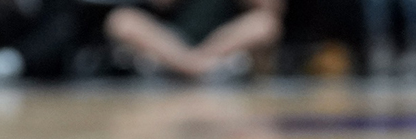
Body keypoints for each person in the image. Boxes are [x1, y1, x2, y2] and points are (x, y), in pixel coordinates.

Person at [104, 0, 284, 80]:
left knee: (265, 24)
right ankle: (193, 67)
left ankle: (192, 66)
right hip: (173, 43)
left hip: (224, 46)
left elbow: (271, 9)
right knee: (122, 20)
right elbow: (160, 3)